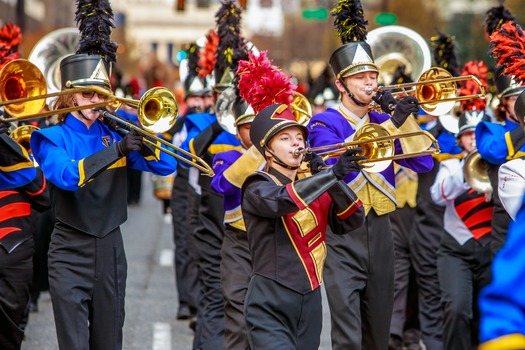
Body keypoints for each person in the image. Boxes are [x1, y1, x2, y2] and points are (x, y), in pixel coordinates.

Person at [307, 1, 434, 348]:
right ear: (341, 83)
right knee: (347, 334)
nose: (370, 82)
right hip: (342, 231)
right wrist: (391, 124)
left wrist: (402, 115)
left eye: (373, 76)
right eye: (361, 77)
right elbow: (344, 163)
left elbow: (424, 162)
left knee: (377, 333)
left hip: (382, 233)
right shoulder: (323, 122)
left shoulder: (383, 120)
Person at [30, 52, 177, 350]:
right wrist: (118, 149)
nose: (95, 102)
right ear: (70, 97)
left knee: (110, 342)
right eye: (87, 94)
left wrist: (143, 139)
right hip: (69, 250)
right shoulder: (51, 137)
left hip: (111, 249)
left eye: (100, 94)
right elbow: (69, 176)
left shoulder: (114, 133)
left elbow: (167, 167)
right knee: (74, 344)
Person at [241, 103, 365, 349]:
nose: (296, 143)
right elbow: (282, 201)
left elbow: (353, 218)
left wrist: (328, 174)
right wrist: (330, 176)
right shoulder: (256, 186)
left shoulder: (314, 186)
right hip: (269, 302)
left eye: (299, 137)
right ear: (268, 151)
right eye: (285, 138)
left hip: (310, 303)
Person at [430, 107, 493, 350]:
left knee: (486, 314)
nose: (474, 140)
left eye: (479, 134)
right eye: (468, 135)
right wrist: (467, 168)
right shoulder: (450, 166)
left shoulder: (503, 164)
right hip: (456, 251)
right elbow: (438, 195)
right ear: (460, 139)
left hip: (490, 248)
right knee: (457, 309)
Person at [211, 94, 263, 349]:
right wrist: (260, 151)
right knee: (238, 316)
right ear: (237, 130)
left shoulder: (286, 154)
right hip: (239, 242)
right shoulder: (228, 155)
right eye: (247, 127)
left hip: (275, 242)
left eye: (260, 125)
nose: (255, 133)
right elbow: (221, 184)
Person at [478, 91, 525, 350]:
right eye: (514, 95)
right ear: (505, 102)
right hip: (506, 222)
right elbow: (495, 151)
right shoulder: (491, 129)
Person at [0, 124, 50, 350]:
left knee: (9, 335)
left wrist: (4, 141)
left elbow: (43, 194)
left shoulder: (15, 148)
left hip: (11, 250)